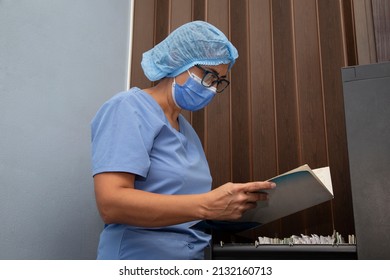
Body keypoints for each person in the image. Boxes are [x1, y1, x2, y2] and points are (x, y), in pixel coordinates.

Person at [91, 21, 276, 260]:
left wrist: (232, 208)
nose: (211, 88)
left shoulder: (186, 130)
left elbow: (185, 206)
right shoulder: (128, 109)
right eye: (209, 76)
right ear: (180, 61)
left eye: (219, 81)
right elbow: (111, 204)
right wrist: (207, 205)